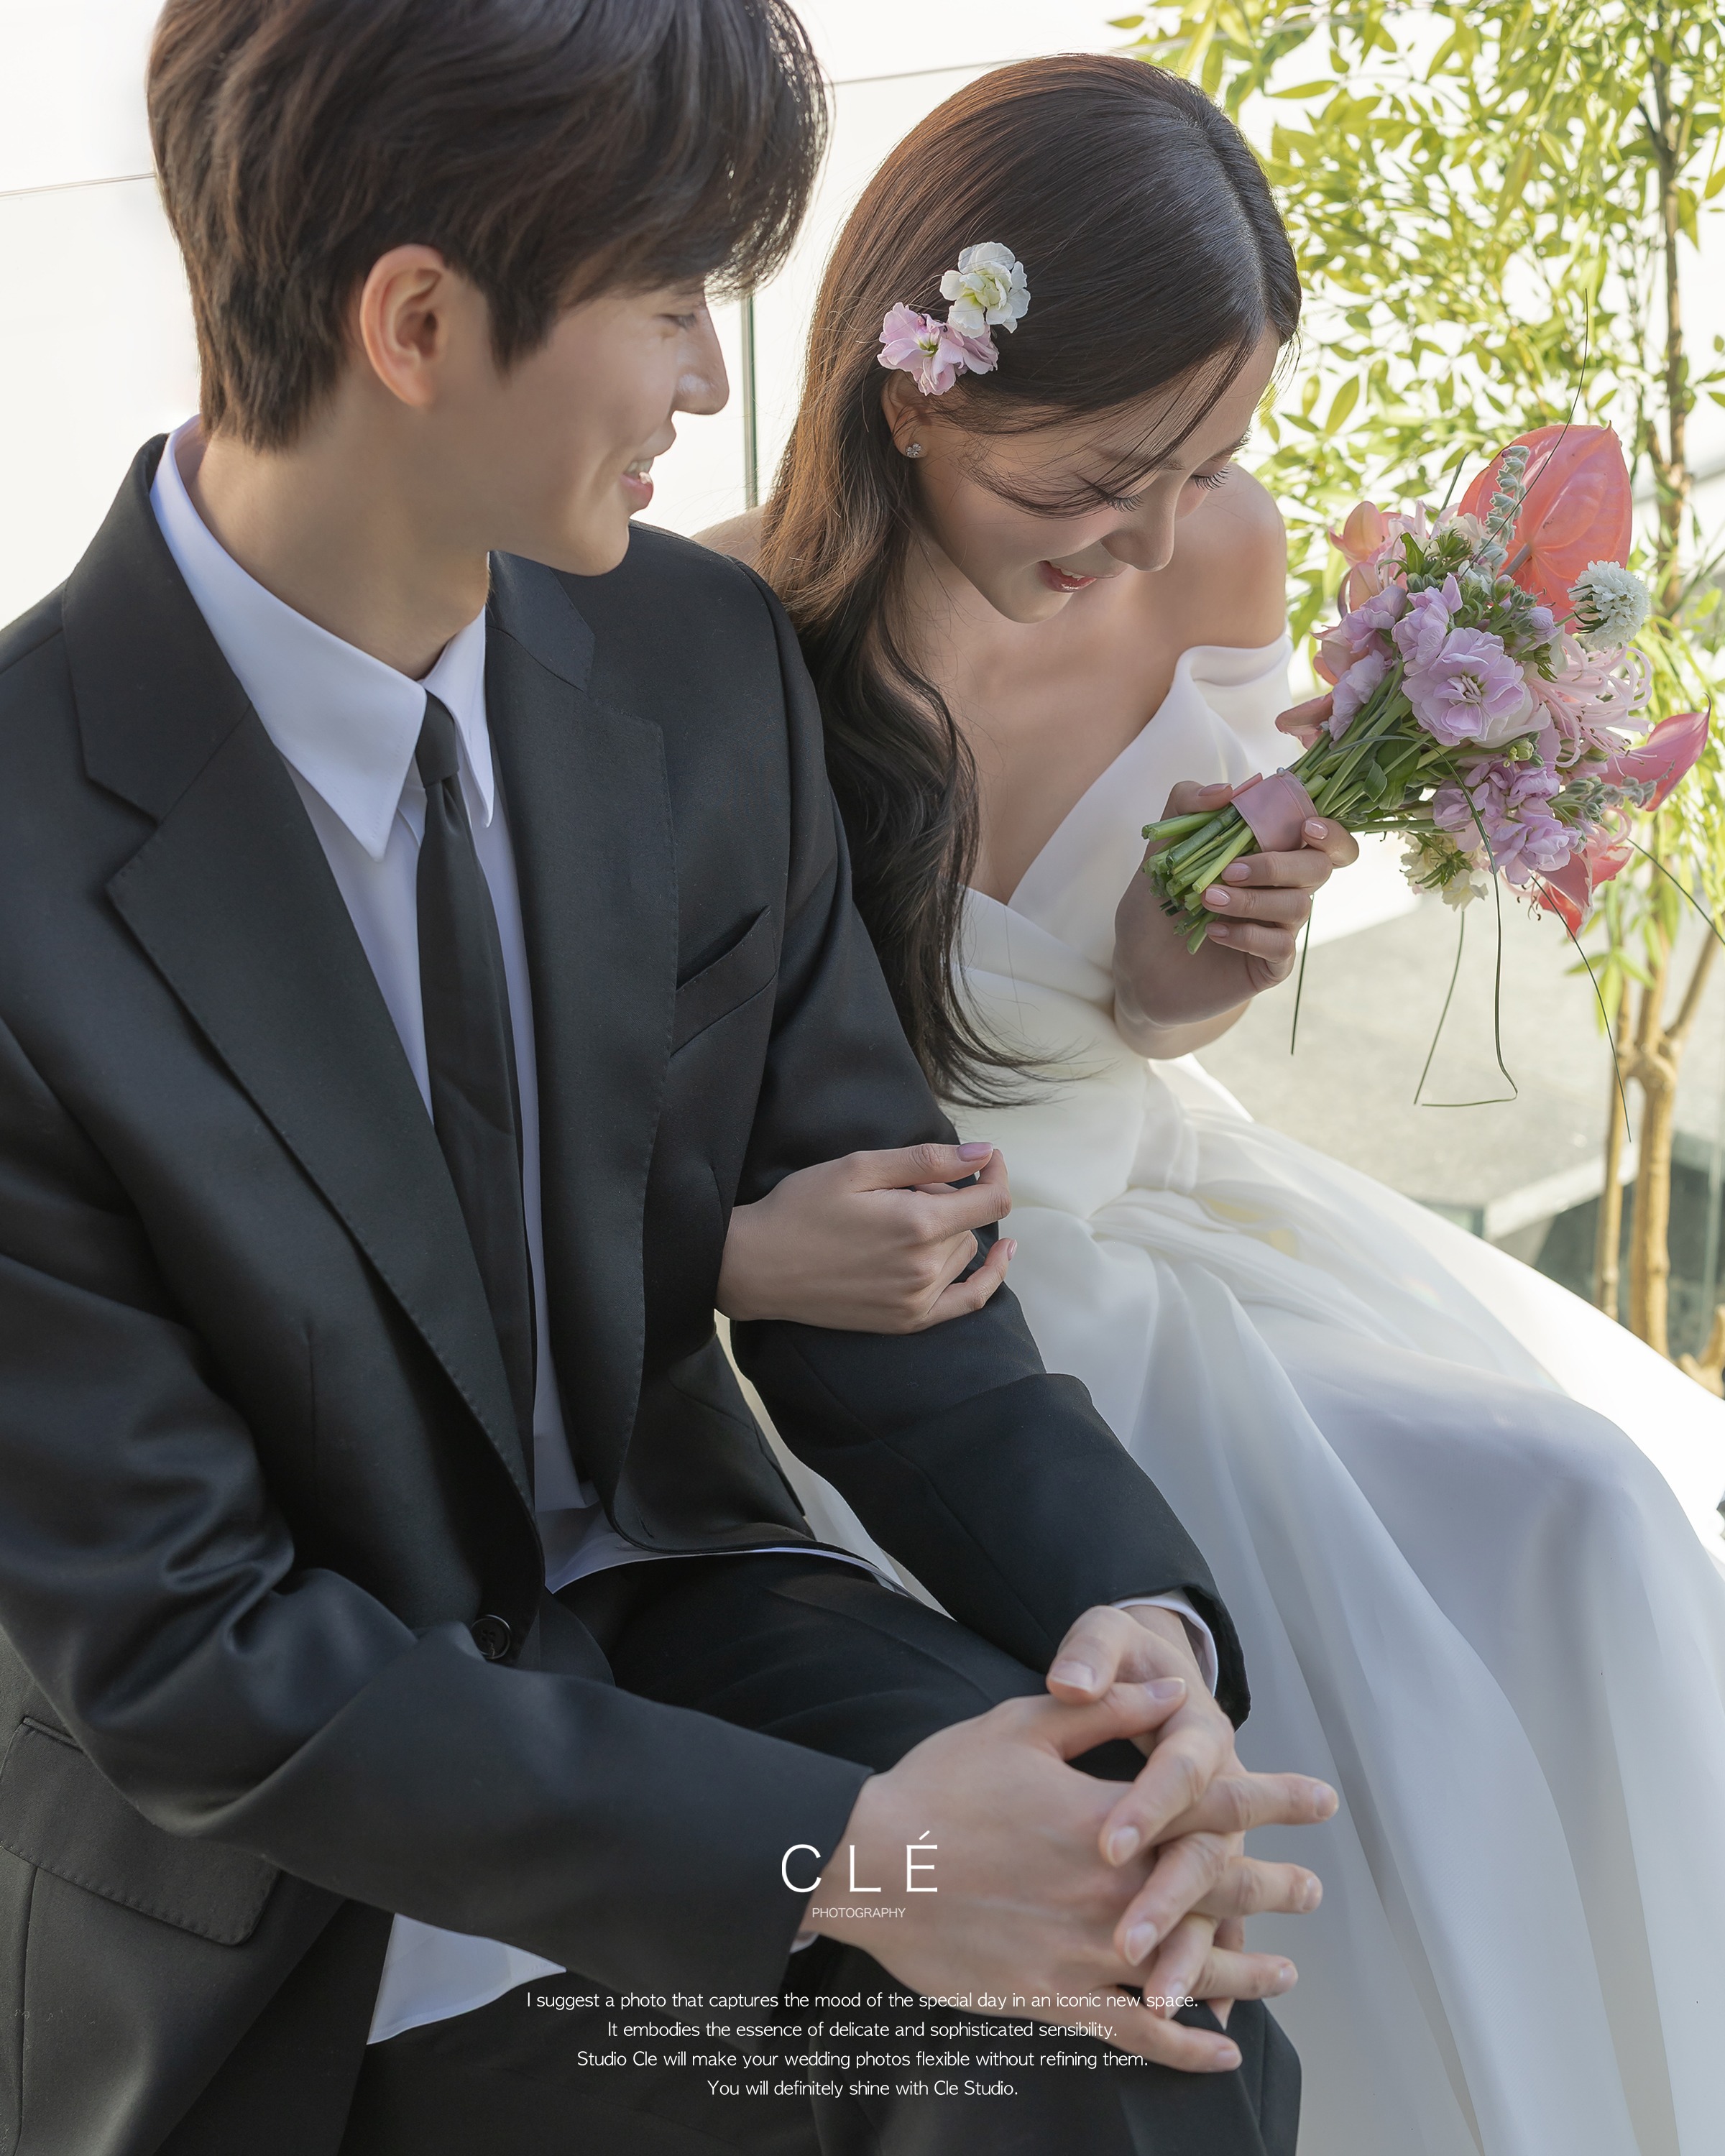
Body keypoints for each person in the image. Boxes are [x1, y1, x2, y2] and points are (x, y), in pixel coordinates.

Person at [0, 6, 1341, 2155]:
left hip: (685, 1618)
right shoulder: (25, 859)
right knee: (965, 2052)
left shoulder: (693, 665)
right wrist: (864, 1863)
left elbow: (904, 1270)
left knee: (1143, 1980)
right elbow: (192, 1655)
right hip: (309, 1874)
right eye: (668, 302)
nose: (717, 383)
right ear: (418, 325)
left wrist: (1132, 1618)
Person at [703, 52, 1725, 2156]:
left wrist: (1203, 959)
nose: (1158, 534)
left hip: (1162, 1212)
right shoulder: (717, 634)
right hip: (899, 1318)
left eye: (1211, 460)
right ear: (921, 389)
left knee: (1586, 1508)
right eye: (1107, 474)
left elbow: (1139, 1019)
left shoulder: (1215, 562)